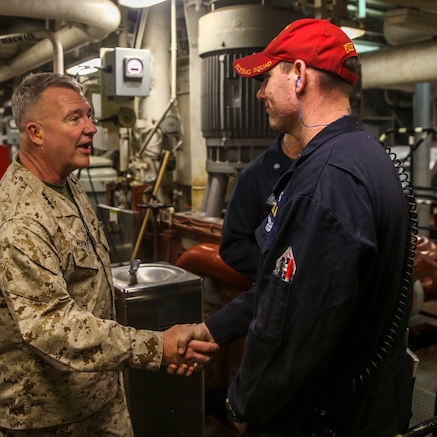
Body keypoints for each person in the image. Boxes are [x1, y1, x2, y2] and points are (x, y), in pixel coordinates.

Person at [172, 18, 413, 436]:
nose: (261, 92)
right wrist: (210, 328)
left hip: (328, 419)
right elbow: (285, 289)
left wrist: (242, 402)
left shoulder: (324, 182)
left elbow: (294, 333)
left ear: (299, 76)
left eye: (267, 78)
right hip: (369, 406)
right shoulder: (364, 154)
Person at [0, 72, 218, 437]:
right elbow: (54, 327)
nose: (91, 128)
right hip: (44, 415)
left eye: (89, 115)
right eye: (75, 118)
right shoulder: (19, 218)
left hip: (97, 395)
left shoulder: (65, 182)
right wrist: (157, 347)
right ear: (35, 133)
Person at [220, 133, 300, 282]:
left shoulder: (332, 169)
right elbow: (234, 247)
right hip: (277, 296)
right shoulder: (254, 177)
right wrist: (287, 274)